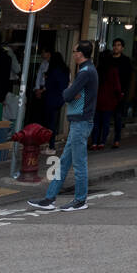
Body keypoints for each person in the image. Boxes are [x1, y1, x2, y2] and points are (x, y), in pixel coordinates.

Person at [27, 42, 98, 213]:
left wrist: (71, 91)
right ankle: (50, 198)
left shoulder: (85, 73)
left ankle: (80, 200)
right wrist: (72, 92)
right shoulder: (87, 71)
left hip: (80, 122)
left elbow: (66, 95)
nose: (73, 54)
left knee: (79, 164)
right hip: (79, 122)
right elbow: (70, 93)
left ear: (80, 54)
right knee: (63, 163)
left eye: (74, 51)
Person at [90, 52, 123, 150]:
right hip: (109, 101)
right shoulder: (113, 70)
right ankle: (102, 142)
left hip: (97, 100)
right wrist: (119, 97)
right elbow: (117, 87)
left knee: (96, 122)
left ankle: (94, 142)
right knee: (105, 122)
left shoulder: (97, 70)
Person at [108, 39, 133, 149]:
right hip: (107, 92)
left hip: (120, 93)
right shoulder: (108, 59)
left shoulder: (126, 60)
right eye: (114, 45)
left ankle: (116, 139)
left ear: (122, 47)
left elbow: (128, 78)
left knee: (118, 117)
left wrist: (124, 92)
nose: (116, 47)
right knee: (105, 116)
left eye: (118, 45)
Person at [40, 51, 70, 140]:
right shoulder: (65, 70)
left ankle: (51, 144)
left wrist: (46, 79)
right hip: (60, 98)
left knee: (49, 122)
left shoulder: (53, 71)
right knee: (54, 121)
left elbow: (49, 85)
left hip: (51, 98)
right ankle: (51, 143)